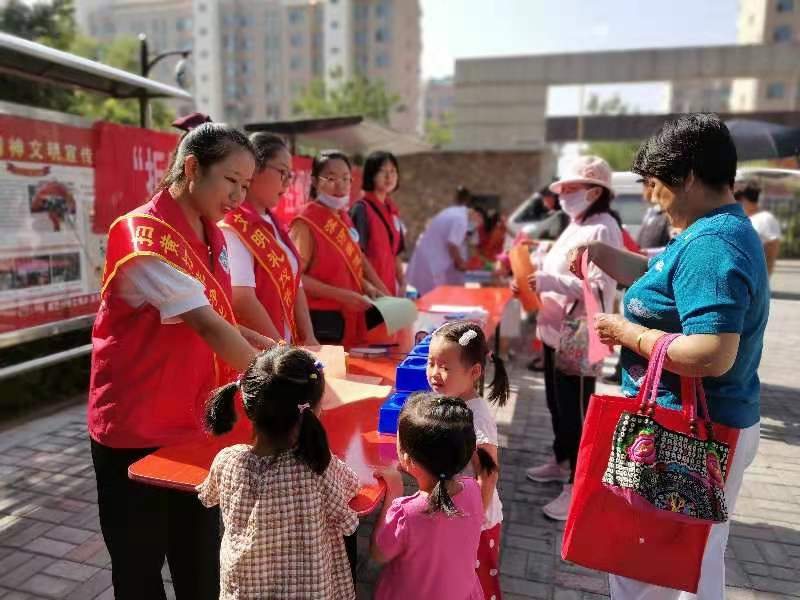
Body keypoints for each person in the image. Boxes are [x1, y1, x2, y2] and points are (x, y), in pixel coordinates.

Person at [569, 114, 768, 600]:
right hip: (701, 423)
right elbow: (661, 274)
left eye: (656, 186)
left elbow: (712, 352)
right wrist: (600, 252)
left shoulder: (712, 244)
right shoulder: (713, 231)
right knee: (686, 560)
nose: (652, 199)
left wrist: (627, 333)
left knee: (654, 563)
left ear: (692, 177)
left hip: (689, 430)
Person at [88, 123, 273, 600]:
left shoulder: (214, 234)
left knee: (200, 563)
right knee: (140, 569)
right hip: (138, 431)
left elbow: (223, 318)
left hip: (195, 428)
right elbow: (207, 325)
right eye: (231, 181)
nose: (238, 196)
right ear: (192, 168)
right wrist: (273, 384)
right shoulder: (143, 235)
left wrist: (270, 349)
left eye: (246, 186)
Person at [199, 345, 359, 600]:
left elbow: (207, 496)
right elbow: (349, 512)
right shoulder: (316, 468)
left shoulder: (227, 461)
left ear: (250, 407)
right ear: (314, 410)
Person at [516, 155, 623, 521]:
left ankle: (579, 486)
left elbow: (595, 285)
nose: (562, 195)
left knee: (576, 411)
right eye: (561, 189)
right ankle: (562, 461)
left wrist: (548, 281)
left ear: (595, 191)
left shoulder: (603, 228)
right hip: (555, 330)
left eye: (570, 189)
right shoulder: (578, 223)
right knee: (556, 403)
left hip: (578, 334)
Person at [370, 393, 487, 600]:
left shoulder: (407, 513)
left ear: (406, 457)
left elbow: (379, 554)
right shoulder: (473, 490)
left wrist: (395, 490)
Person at [426, 321, 509, 599]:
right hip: (458, 512)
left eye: (445, 367)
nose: (435, 374)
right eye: (431, 362)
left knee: (475, 586)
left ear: (474, 372)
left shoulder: (477, 415)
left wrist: (475, 522)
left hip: (475, 522)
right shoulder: (452, 399)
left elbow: (488, 473)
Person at [220, 132, 318, 345]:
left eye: (290, 176)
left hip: (282, 349)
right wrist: (280, 350)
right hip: (256, 354)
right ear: (254, 169)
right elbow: (242, 300)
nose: (287, 183)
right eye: (282, 173)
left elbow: (295, 282)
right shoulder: (233, 225)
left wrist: (309, 336)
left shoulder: (274, 223)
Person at [289, 150, 391, 347]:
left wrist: (368, 286)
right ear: (316, 181)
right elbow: (295, 277)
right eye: (331, 178)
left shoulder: (343, 218)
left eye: (346, 179)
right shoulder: (306, 222)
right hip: (322, 320)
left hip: (349, 318)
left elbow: (346, 268)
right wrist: (341, 295)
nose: (340, 185)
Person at [406, 186, 482, 296]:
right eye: (479, 221)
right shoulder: (461, 219)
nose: (476, 225)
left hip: (428, 260)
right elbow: (452, 245)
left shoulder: (451, 212)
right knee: (431, 301)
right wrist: (462, 264)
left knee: (428, 298)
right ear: (476, 214)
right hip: (432, 265)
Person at [351, 150, 407, 296]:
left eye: (393, 171)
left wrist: (403, 283)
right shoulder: (361, 209)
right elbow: (357, 255)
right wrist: (380, 288)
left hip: (389, 292)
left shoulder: (392, 210)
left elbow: (396, 253)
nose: (389, 177)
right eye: (383, 171)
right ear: (372, 175)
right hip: (370, 293)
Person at [735, 182, 781, 277]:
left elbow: (773, 246)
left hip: (754, 279)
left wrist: (765, 278)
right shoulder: (746, 218)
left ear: (744, 200)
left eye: (737, 200)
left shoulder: (764, 218)